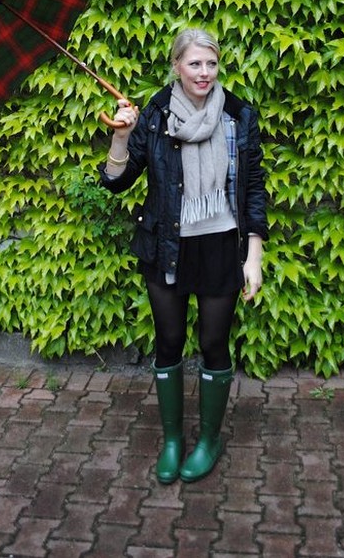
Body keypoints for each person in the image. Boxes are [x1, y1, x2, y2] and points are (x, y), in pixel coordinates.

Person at [99, 27, 266, 483]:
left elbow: (253, 187)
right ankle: (173, 439)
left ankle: (209, 440)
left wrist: (253, 255)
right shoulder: (154, 114)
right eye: (194, 63)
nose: (204, 72)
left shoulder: (238, 115)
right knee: (169, 341)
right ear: (176, 66)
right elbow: (117, 181)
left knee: (213, 343)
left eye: (211, 63)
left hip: (220, 244)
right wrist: (122, 137)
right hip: (166, 244)